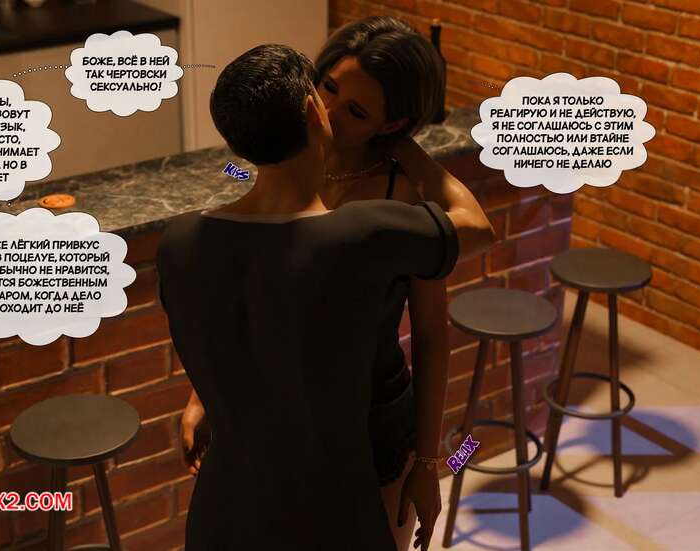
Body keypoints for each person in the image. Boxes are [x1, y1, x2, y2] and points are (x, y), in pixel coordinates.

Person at [157, 44, 495, 550]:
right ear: (313, 111)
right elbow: (476, 226)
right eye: (326, 92)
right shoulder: (368, 232)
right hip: (335, 507)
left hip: (226, 503)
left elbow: (240, 327)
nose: (334, 111)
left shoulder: (179, 241)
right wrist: (411, 150)